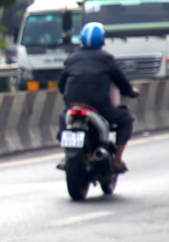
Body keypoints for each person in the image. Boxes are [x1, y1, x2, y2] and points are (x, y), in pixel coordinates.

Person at [58, 21, 139, 171]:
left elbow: (61, 86)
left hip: (73, 106)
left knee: (63, 119)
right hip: (100, 108)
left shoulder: (72, 59)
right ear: (102, 40)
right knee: (126, 120)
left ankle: (66, 157)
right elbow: (121, 82)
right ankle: (117, 160)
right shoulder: (106, 58)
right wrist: (131, 92)